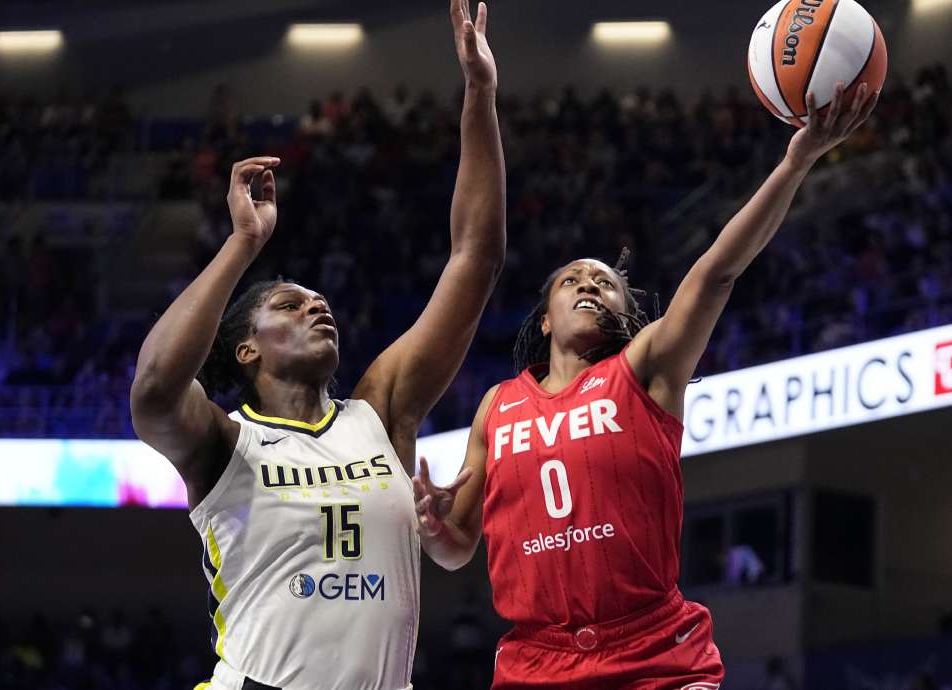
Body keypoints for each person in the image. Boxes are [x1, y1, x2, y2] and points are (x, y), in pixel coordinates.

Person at [413, 83, 878, 688]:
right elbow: (457, 551)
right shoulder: (496, 407)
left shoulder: (646, 369)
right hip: (536, 663)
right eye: (573, 280)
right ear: (546, 317)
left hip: (654, 653)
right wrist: (436, 529)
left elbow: (717, 273)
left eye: (605, 283)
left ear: (626, 315)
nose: (588, 284)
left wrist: (796, 162)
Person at [128, 1, 504, 688]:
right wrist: (244, 245)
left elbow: (475, 257)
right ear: (246, 349)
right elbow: (153, 389)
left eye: (318, 299)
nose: (316, 304)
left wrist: (480, 96)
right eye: (288, 304)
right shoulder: (223, 443)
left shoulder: (379, 414)